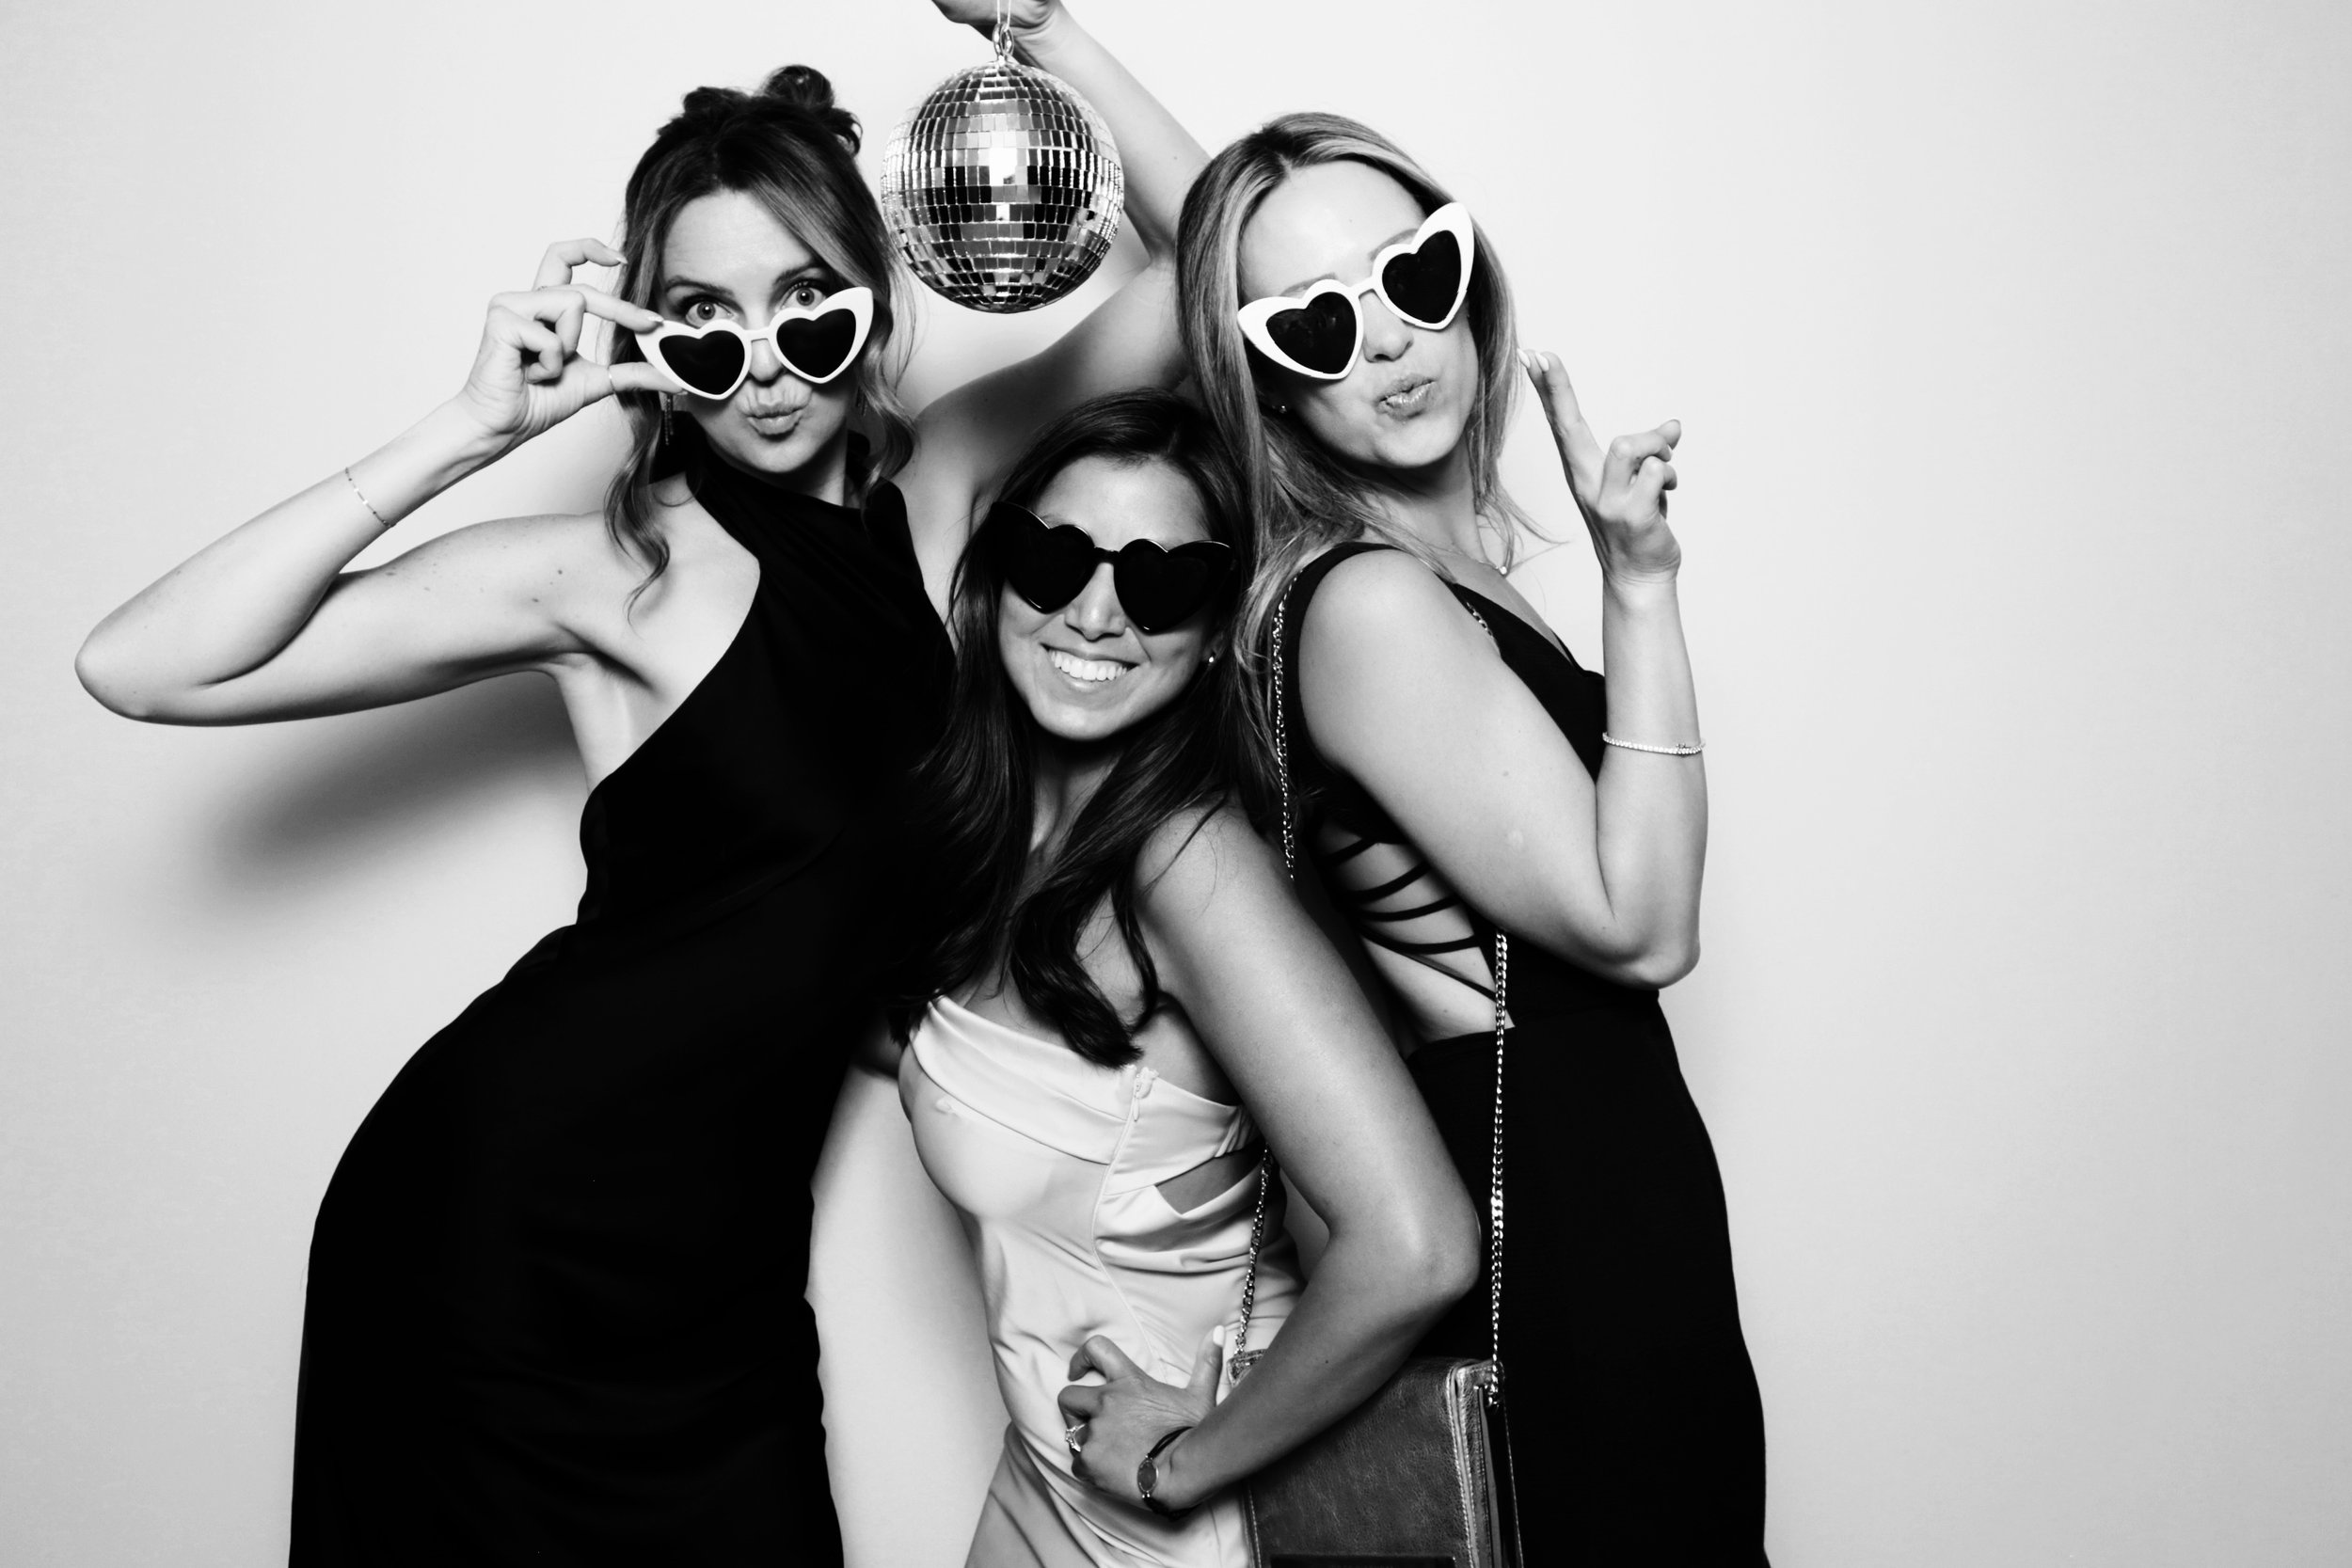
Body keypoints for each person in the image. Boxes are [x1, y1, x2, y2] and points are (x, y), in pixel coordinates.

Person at [71, 2, 1204, 1558]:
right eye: (706, 327)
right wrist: (460, 434)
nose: (765, 372)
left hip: (721, 1278)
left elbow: (1225, 269)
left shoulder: (942, 495)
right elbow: (146, 665)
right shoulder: (613, 573)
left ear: (875, 306)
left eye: (808, 313)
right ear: (652, 346)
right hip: (499, 1228)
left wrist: (1045, 29)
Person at [1175, 115, 1771, 1562]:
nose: (1384, 342)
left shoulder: (1443, 575)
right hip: (1562, 1220)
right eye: (1319, 322)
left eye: (1413, 274)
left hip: (1607, 1183)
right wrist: (1641, 584)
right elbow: (1643, 924)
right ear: (1265, 381)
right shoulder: (1374, 605)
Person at [882, 389, 1479, 1568]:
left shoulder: (1187, 863)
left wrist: (1178, 1461)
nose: (1096, 613)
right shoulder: (996, 842)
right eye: (1053, 558)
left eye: (1159, 582)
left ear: (1215, 622)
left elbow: (1417, 1243)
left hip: (1180, 1528)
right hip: (1036, 1490)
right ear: (994, 570)